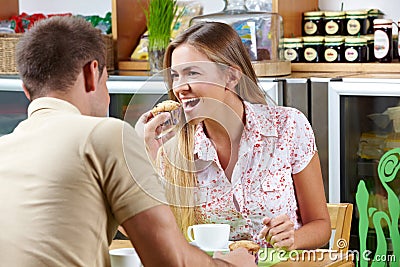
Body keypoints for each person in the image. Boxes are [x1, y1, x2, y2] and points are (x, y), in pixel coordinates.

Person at [0, 16, 257, 267]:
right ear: (92, 73)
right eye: (106, 81)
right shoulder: (106, 133)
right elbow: (171, 260)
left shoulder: (4, 148)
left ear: (26, 89)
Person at [136, 21, 331, 251]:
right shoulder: (171, 146)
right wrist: (144, 153)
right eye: (176, 76)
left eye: (192, 73)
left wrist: (291, 239)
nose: (180, 87)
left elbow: (321, 226)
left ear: (231, 76)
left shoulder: (287, 127)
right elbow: (148, 231)